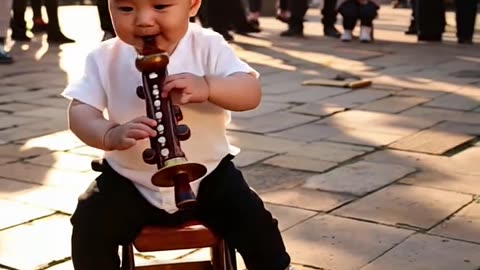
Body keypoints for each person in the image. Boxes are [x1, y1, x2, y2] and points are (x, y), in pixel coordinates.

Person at [62, 0, 293, 269]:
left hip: (210, 175)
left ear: (193, 5)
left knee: (254, 220)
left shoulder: (208, 45)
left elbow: (250, 92)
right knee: (89, 221)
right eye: (126, 9)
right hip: (129, 180)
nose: (143, 20)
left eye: (160, 6)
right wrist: (108, 133)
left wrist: (209, 86)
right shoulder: (103, 57)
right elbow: (80, 111)